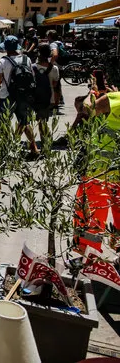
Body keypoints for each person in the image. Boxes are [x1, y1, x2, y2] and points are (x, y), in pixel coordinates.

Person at [72, 92, 120, 255]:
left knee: (91, 221)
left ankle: (86, 258)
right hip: (115, 175)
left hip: (98, 173)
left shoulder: (115, 99)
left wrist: (88, 96)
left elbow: (86, 109)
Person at [0, 35, 40, 158]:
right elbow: (32, 76)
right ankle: (34, 148)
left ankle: (4, 148)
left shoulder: (2, 62)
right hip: (24, 96)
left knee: (4, 123)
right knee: (24, 122)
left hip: (7, 96)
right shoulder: (26, 59)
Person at [32, 44, 59, 144]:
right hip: (48, 98)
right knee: (42, 121)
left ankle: (45, 142)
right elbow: (55, 85)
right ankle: (45, 140)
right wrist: (56, 100)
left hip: (35, 97)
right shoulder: (54, 68)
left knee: (37, 121)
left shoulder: (32, 67)